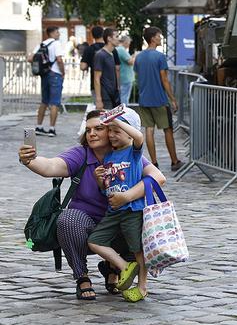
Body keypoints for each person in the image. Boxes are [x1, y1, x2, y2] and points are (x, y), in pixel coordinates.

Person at [18, 110, 165, 300]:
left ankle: (113, 268)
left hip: (121, 223)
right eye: (88, 130)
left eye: (98, 128)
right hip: (86, 227)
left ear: (113, 130)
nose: (92, 133)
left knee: (139, 223)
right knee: (68, 220)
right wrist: (29, 159)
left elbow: (158, 178)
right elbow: (51, 166)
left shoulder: (127, 154)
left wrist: (127, 196)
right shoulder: (81, 154)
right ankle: (82, 277)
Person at [88, 108, 150, 302]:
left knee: (137, 249)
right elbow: (106, 188)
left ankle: (142, 287)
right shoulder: (109, 157)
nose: (112, 135)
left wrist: (116, 120)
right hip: (113, 211)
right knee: (94, 241)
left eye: (117, 131)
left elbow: (139, 136)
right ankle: (124, 266)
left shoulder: (134, 152)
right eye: (110, 131)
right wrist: (99, 180)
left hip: (132, 211)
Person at [135, 27, 183, 171]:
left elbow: (139, 77)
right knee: (168, 130)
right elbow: (164, 80)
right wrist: (173, 98)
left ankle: (154, 163)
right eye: (159, 36)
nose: (161, 38)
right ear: (153, 38)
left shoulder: (139, 57)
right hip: (159, 100)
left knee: (149, 130)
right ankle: (174, 161)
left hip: (144, 99)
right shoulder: (160, 57)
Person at [27, 26, 65, 137]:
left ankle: (39, 126)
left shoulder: (41, 44)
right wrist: (63, 72)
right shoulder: (56, 44)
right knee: (55, 102)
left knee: (44, 101)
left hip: (44, 75)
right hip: (55, 74)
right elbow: (59, 59)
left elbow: (30, 58)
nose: (59, 34)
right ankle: (52, 129)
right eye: (57, 32)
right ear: (52, 33)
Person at [81, 26, 120, 96]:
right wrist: (117, 85)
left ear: (92, 36)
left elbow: (83, 66)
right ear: (103, 34)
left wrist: (90, 64)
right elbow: (117, 68)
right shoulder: (111, 49)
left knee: (99, 105)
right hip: (111, 85)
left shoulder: (89, 49)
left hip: (95, 84)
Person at [93, 28, 121, 109]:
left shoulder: (111, 54)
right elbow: (96, 78)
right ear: (109, 38)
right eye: (116, 36)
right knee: (106, 121)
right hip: (105, 96)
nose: (118, 39)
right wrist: (98, 99)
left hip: (113, 95)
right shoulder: (100, 55)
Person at [115, 34, 136, 104]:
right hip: (126, 78)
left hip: (122, 77)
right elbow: (130, 62)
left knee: (123, 96)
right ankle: (124, 112)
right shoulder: (121, 49)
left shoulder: (118, 49)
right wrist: (136, 56)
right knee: (124, 98)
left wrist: (132, 57)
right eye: (129, 43)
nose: (129, 45)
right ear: (126, 42)